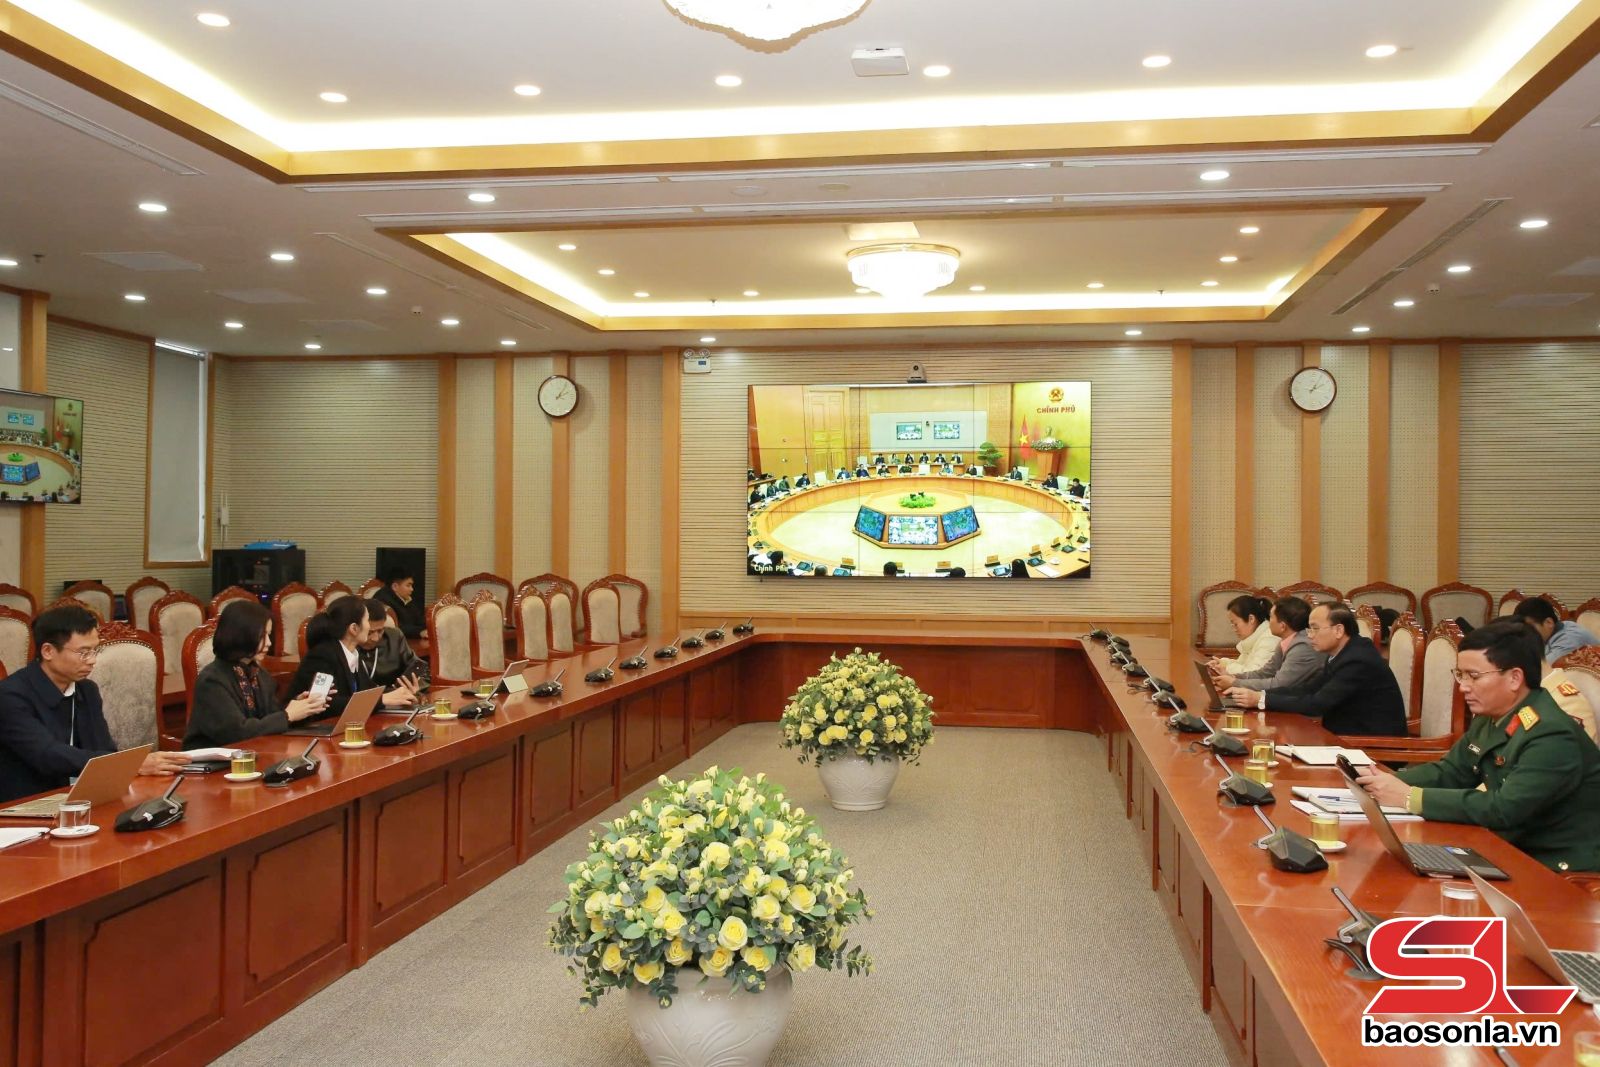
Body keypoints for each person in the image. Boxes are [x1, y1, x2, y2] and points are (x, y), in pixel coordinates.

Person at [1356, 619, 1600, 873]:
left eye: (1474, 676)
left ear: (1515, 678)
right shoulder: (1492, 716)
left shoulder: (1551, 733)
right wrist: (1380, 781)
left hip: (1556, 869)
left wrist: (1410, 797)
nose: (1463, 687)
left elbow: (1505, 808)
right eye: (1460, 674)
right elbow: (1452, 772)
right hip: (1506, 845)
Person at [0, 604, 189, 803]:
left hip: (83, 799)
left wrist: (122, 765)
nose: (92, 661)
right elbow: (47, 755)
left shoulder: (86, 689)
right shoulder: (10, 695)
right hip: (24, 805)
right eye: (83, 652)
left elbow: (105, 750)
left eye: (94, 651)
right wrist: (131, 765)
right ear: (48, 651)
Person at [183, 600, 328, 748]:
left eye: (269, 635)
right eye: (262, 636)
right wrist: (287, 715)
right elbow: (236, 733)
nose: (269, 643)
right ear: (241, 635)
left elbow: (270, 720)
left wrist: (303, 707)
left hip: (254, 752)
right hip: (213, 758)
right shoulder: (211, 680)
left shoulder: (259, 674)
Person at [1251, 603, 1406, 735]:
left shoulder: (1358, 660)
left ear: (1338, 630)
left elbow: (1317, 704)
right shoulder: (1341, 652)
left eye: (1315, 629)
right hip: (1342, 737)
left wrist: (1261, 700)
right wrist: (1261, 695)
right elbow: (1309, 689)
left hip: (1369, 744)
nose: (1310, 636)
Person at [290, 597, 373, 722]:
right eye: (367, 620)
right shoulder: (322, 655)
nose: (370, 627)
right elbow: (327, 705)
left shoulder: (354, 653)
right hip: (313, 727)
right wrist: (381, 700)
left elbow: (367, 690)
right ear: (354, 628)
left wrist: (397, 693)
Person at [1217, 596, 1323, 693]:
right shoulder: (1286, 641)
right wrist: (1233, 677)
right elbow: (1265, 673)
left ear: (1282, 626)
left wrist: (1234, 683)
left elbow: (1278, 684)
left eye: (1271, 617)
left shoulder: (1302, 647)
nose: (1268, 621)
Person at [356, 599, 428, 696]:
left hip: (398, 697)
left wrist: (414, 686)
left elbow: (419, 669)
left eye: (380, 631)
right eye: (370, 632)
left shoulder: (394, 637)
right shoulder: (348, 646)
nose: (375, 638)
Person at [1512, 596, 1599, 663]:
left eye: (1529, 627)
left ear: (1549, 622)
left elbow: (1542, 671)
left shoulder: (1569, 639)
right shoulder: (1550, 632)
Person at [1210, 594, 1275, 674]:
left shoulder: (1269, 639)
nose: (1234, 629)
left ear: (1251, 619)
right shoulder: (1256, 637)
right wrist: (1222, 663)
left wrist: (1225, 668)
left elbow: (1254, 673)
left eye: (1235, 624)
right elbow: (1243, 664)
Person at [373, 565, 425, 639]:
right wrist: (419, 632)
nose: (412, 589)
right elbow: (394, 628)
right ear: (395, 586)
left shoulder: (405, 598)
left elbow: (420, 620)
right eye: (408, 585)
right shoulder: (382, 600)